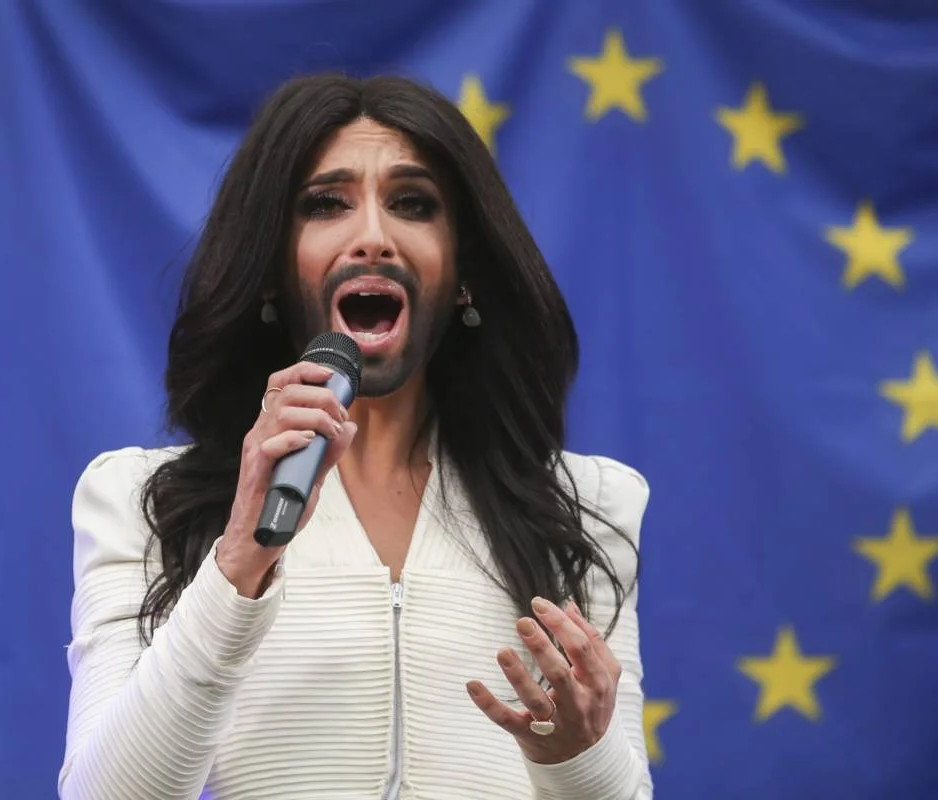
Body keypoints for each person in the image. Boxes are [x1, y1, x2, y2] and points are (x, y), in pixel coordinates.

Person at [58, 73, 652, 799]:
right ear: (272, 271)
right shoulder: (141, 501)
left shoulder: (586, 507)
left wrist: (578, 759)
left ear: (462, 270)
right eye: (326, 205)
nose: (373, 237)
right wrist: (237, 562)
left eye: (413, 204)